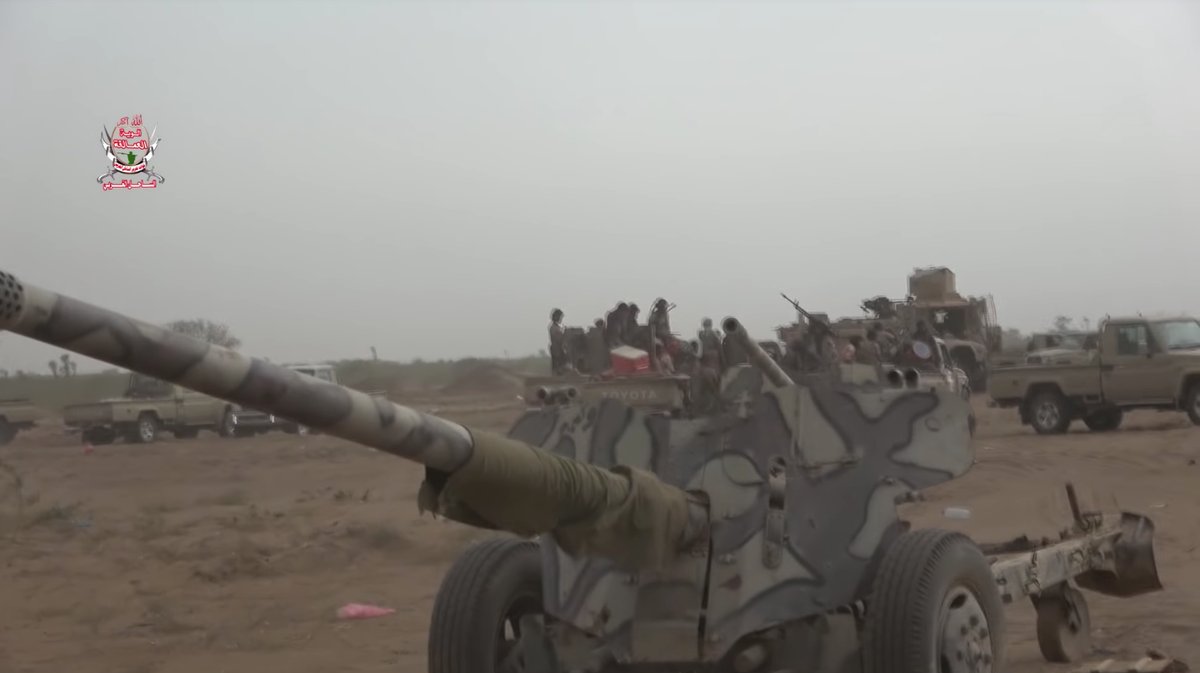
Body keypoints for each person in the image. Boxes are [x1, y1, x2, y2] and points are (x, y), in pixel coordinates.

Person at [695, 318, 724, 413]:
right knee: (716, 382)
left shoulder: (703, 334)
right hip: (711, 358)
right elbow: (719, 348)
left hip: (706, 359)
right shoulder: (710, 335)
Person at [548, 309, 569, 374]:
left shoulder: (556, 327)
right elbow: (559, 338)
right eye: (560, 317)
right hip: (556, 349)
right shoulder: (553, 328)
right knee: (558, 368)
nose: (561, 319)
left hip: (558, 349)